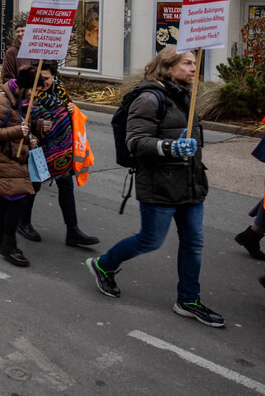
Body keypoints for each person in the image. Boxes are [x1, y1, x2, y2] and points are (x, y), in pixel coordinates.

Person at [86, 47, 223, 328]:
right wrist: (171, 147)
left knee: (194, 243)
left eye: (195, 63)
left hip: (191, 183)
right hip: (160, 184)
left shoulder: (186, 96)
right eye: (187, 63)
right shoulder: (149, 98)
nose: (194, 68)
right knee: (150, 240)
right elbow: (136, 141)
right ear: (168, 67)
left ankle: (188, 299)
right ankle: (104, 265)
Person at [14, 62, 100, 247]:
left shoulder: (60, 90)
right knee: (34, 184)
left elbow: (68, 110)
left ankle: (73, 230)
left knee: (66, 186)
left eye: (46, 78)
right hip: (38, 146)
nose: (43, 83)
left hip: (61, 149)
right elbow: (21, 117)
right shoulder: (29, 93)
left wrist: (72, 109)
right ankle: (23, 222)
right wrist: (37, 126)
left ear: (54, 76)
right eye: (40, 79)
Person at [0, 64, 41, 267]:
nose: (36, 94)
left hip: (15, 157)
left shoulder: (22, 103)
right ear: (24, 86)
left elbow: (21, 128)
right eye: (34, 89)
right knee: (17, 199)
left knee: (7, 199)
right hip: (1, 158)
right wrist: (18, 131)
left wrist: (30, 137)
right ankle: (9, 244)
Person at [0, 16, 28, 83]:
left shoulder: (36, 51)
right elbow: (6, 77)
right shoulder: (12, 52)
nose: (20, 34)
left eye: (23, 31)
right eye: (18, 32)